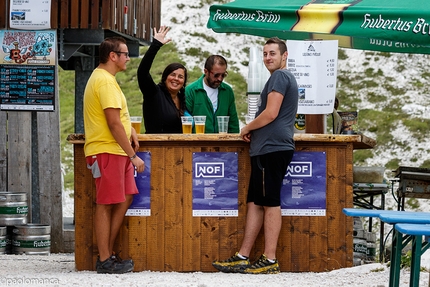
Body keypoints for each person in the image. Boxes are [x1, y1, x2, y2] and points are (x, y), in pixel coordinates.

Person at [212, 37, 298, 274]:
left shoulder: (280, 77)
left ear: (284, 55)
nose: (268, 57)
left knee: (270, 202)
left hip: (273, 148)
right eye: (265, 54)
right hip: (265, 149)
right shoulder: (277, 78)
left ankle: (270, 260)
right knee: (255, 203)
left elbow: (270, 113)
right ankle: (243, 256)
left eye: (273, 53)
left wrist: (248, 127)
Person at [83, 36, 145, 274]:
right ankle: (105, 258)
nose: (128, 58)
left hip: (116, 150)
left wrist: (129, 128)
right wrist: (132, 156)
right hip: (107, 150)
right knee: (106, 203)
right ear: (113, 56)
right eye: (125, 54)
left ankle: (107, 253)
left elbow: (116, 118)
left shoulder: (105, 79)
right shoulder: (106, 82)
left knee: (126, 196)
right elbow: (112, 123)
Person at [137, 26, 188, 133]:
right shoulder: (154, 93)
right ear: (165, 77)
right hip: (157, 146)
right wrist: (155, 45)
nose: (176, 79)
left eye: (180, 77)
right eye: (173, 75)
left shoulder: (182, 98)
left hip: (178, 147)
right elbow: (142, 72)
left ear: (184, 82)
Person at [185, 55, 239, 133]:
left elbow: (233, 122)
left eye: (223, 75)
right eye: (216, 75)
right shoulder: (191, 91)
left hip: (222, 143)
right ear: (206, 71)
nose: (220, 79)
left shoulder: (227, 91)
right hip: (197, 143)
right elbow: (185, 121)